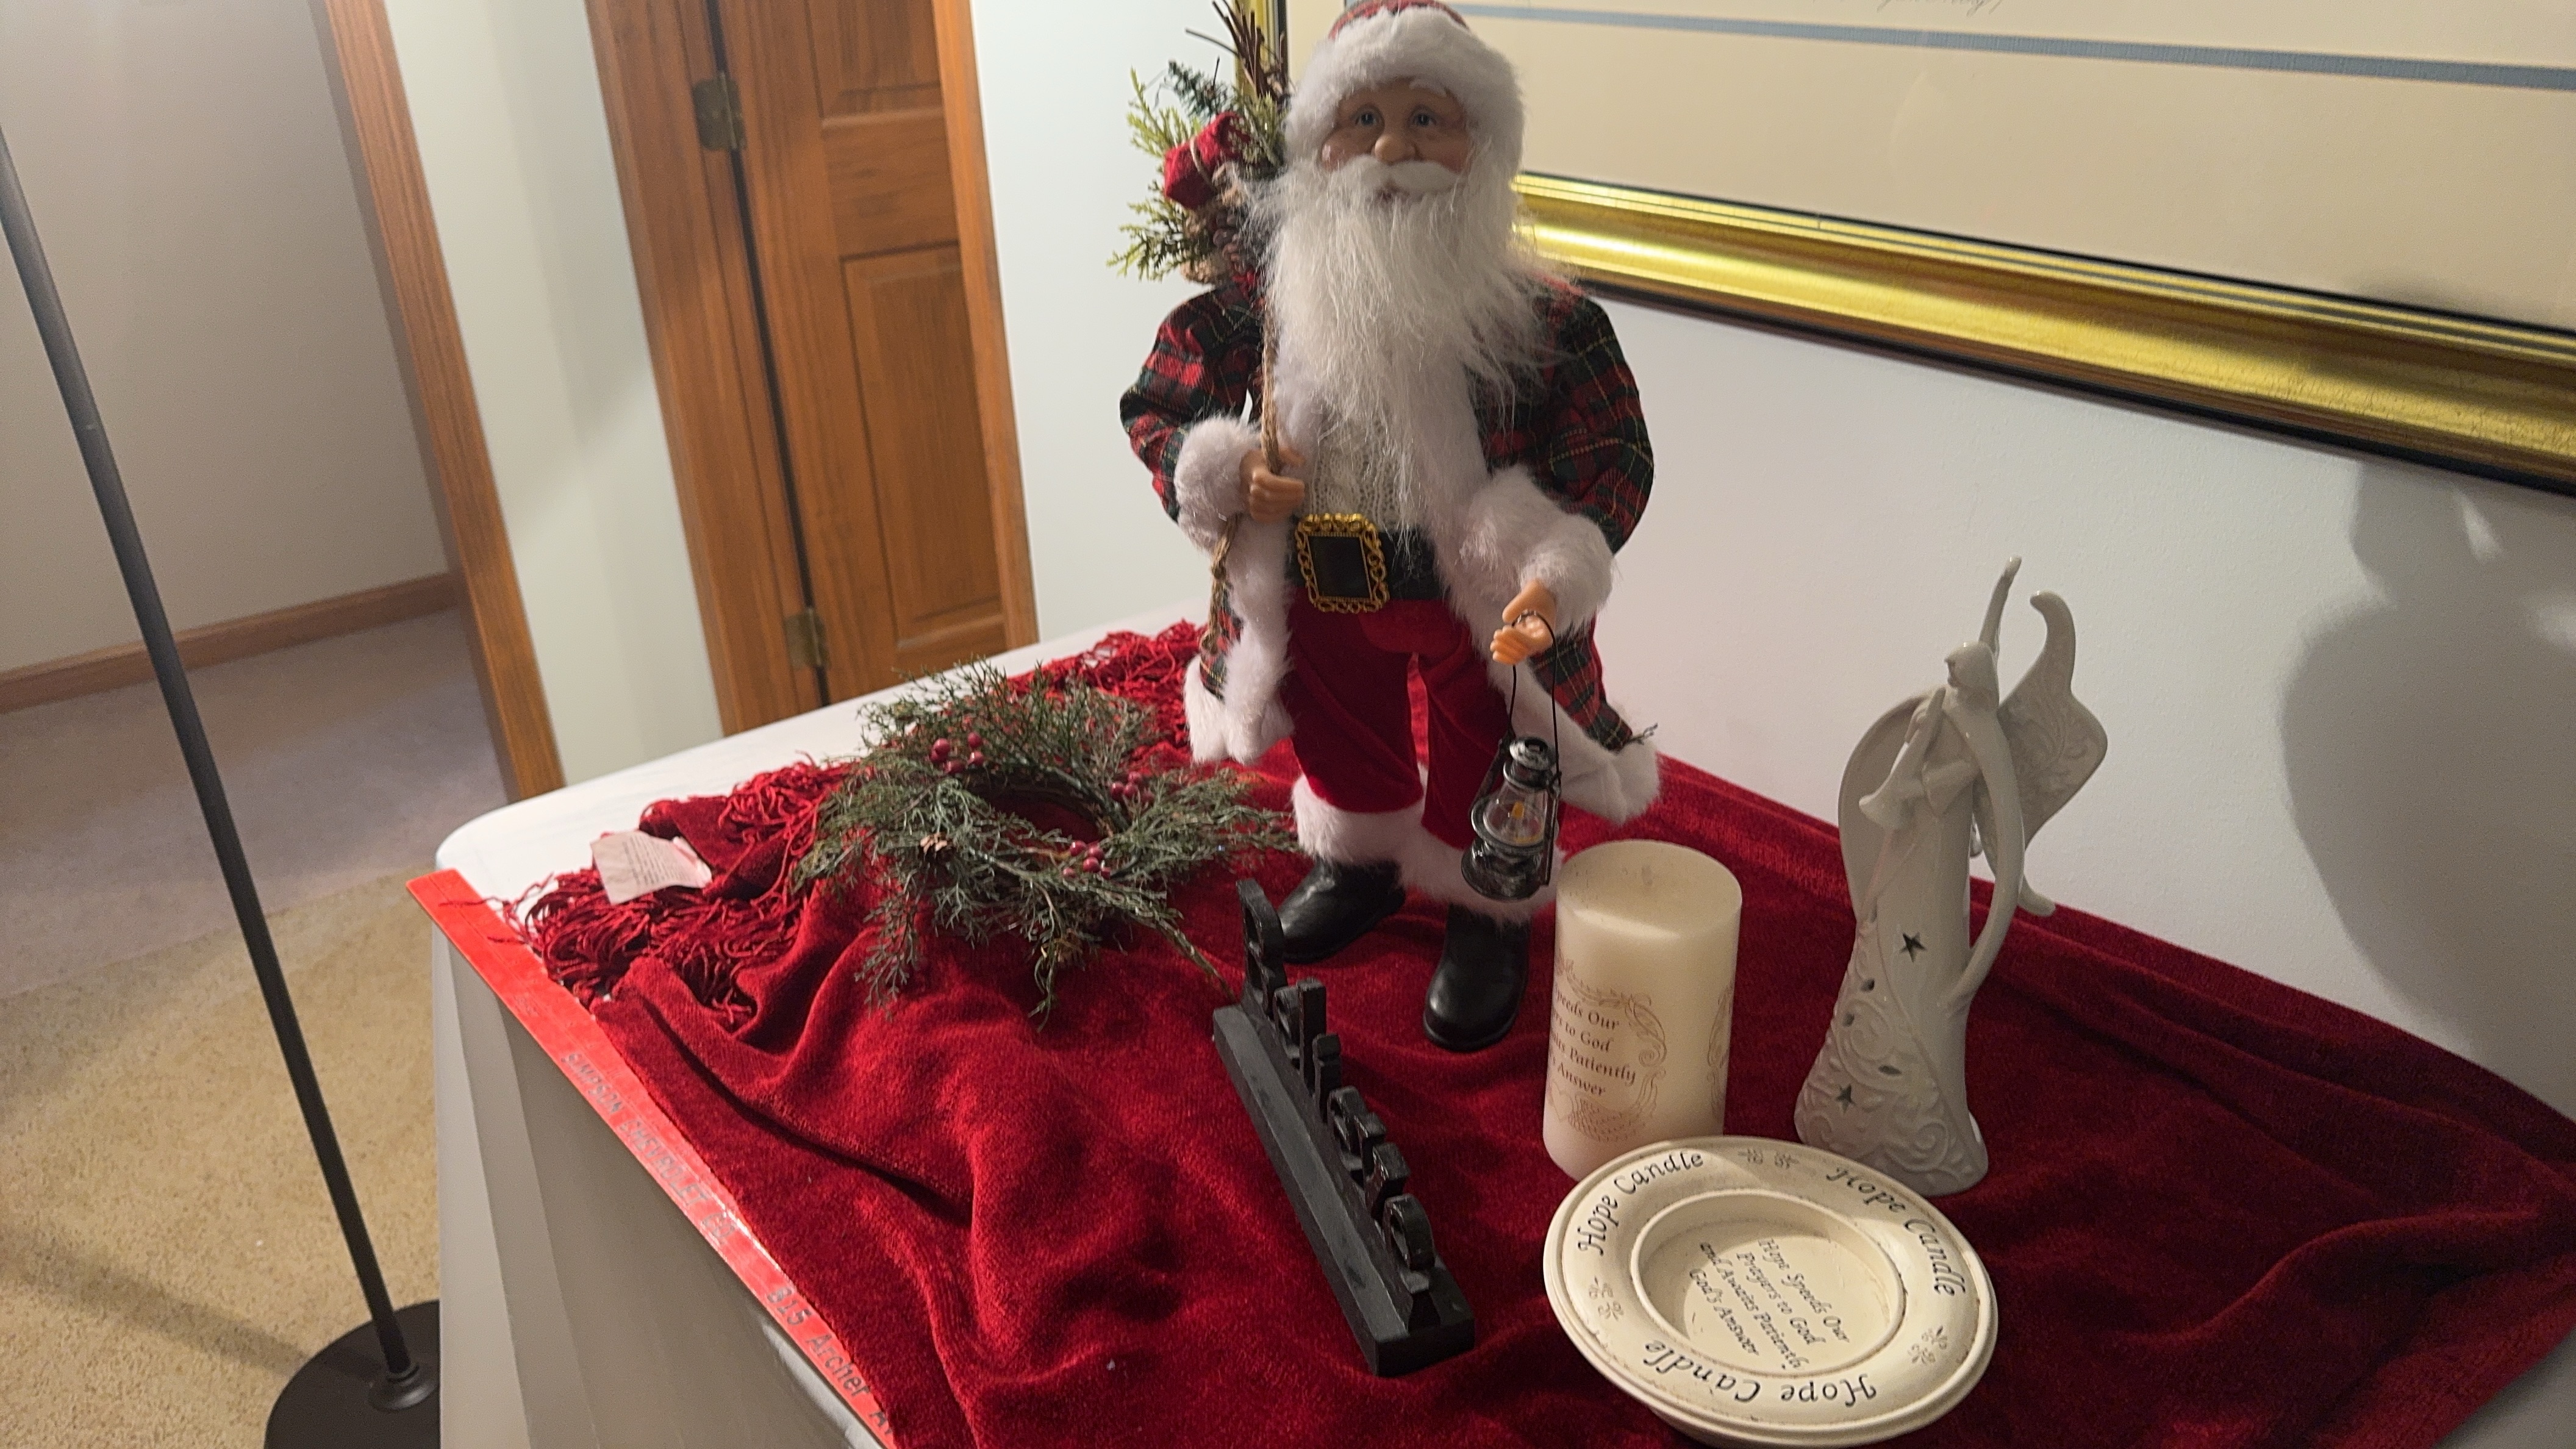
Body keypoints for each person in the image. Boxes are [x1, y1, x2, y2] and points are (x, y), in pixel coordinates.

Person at [1122, 0, 1658, 1051]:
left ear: (1480, 146)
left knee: (1490, 734)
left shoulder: (1543, 320)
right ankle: (1360, 858)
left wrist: (1560, 557)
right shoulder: (1268, 303)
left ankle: (1484, 900)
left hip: (1473, 594)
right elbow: (1160, 399)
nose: (1392, 149)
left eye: (1427, 120)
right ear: (1319, 146)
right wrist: (1225, 469)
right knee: (1337, 717)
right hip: (1321, 582)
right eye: (1362, 119)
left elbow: (1612, 451)